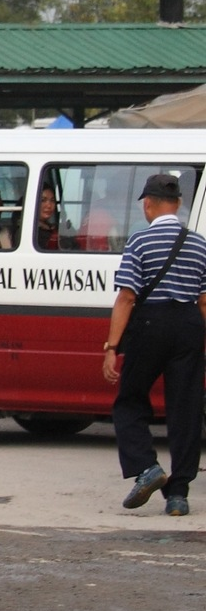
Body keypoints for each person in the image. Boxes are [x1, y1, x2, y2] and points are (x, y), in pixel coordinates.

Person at [104, 173, 206, 518]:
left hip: (150, 325)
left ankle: (147, 468)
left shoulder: (139, 242)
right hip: (189, 324)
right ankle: (178, 495)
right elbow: (205, 302)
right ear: (177, 205)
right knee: (185, 411)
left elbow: (127, 297)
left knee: (129, 400)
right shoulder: (199, 244)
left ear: (148, 204)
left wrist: (111, 346)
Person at [33, 185, 67, 252]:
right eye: (43, 200)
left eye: (52, 200)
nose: (49, 205)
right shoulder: (32, 232)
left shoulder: (53, 227)